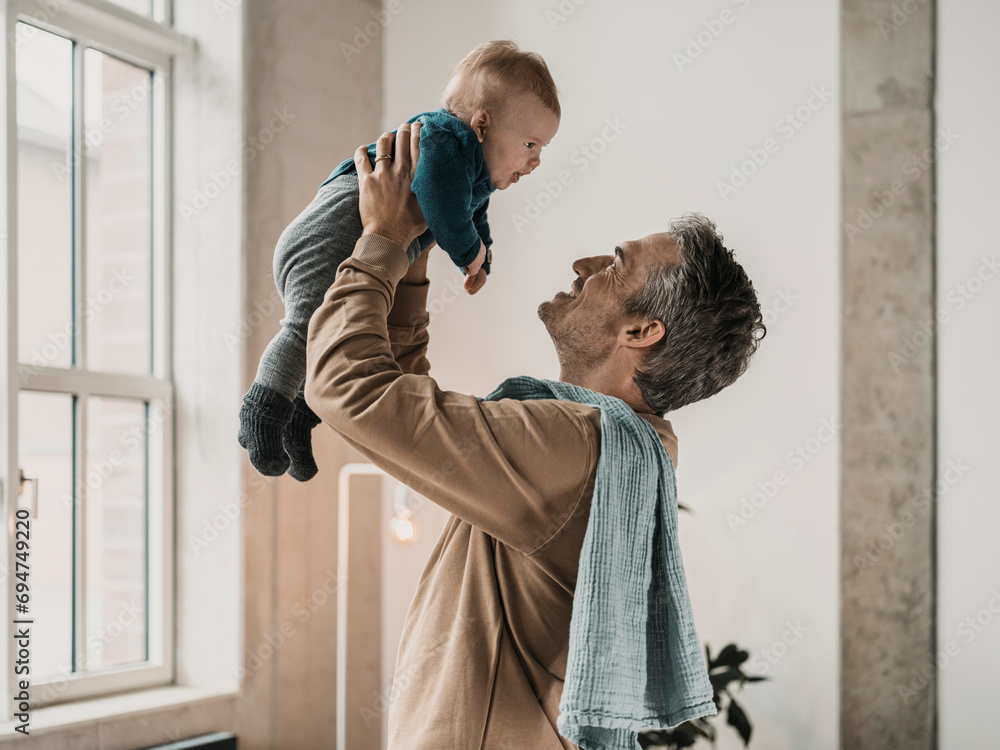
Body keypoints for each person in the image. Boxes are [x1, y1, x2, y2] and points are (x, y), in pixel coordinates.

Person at [304, 125, 766, 749]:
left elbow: (348, 388)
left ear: (641, 332)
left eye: (616, 265)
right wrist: (412, 265)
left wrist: (383, 239)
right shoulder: (629, 448)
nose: (585, 265)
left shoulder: (577, 444)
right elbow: (411, 425)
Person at [238, 40, 560, 483]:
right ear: (482, 125)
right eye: (529, 143)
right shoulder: (446, 139)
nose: (536, 160)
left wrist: (482, 255)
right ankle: (263, 408)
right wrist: (466, 252)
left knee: (331, 337)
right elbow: (443, 204)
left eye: (542, 149)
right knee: (307, 327)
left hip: (356, 245)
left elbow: (469, 212)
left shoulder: (472, 168)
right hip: (327, 236)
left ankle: (299, 417)